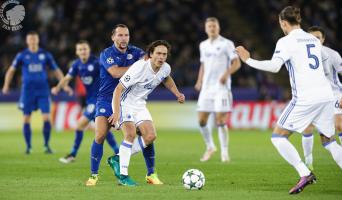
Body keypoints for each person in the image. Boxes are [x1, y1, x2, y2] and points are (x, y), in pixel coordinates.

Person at [236, 6, 342, 194]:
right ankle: (306, 170)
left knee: (278, 137)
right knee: (329, 140)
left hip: (305, 98)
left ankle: (304, 172)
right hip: (326, 95)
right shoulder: (313, 40)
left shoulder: (285, 41)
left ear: (283, 23)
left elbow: (275, 67)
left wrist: (248, 60)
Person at [86, 24, 161, 186]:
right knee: (100, 135)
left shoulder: (137, 52)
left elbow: (151, 64)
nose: (123, 38)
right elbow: (115, 72)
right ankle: (93, 175)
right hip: (106, 99)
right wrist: (138, 68)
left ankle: (151, 174)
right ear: (113, 37)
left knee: (146, 134)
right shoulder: (107, 54)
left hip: (129, 100)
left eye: (126, 35)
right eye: (119, 35)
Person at [109, 40, 185, 186]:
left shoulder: (165, 68)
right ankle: (123, 176)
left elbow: (166, 78)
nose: (161, 57)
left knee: (150, 136)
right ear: (151, 54)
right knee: (130, 134)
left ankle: (117, 158)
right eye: (158, 53)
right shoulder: (139, 67)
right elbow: (118, 89)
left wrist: (177, 93)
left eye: (164, 54)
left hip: (140, 105)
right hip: (124, 102)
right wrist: (116, 113)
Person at [2, 31, 72, 154]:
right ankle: (28, 147)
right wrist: (6, 85)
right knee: (26, 119)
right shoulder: (22, 55)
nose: (33, 41)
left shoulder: (45, 55)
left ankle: (46, 145)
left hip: (43, 91)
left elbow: (56, 70)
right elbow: (11, 70)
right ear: (27, 41)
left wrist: (64, 85)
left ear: (37, 40)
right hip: (27, 91)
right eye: (30, 39)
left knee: (46, 118)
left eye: (34, 39)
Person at [51, 40, 119, 163]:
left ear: (89, 51)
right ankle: (118, 151)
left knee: (79, 126)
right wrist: (57, 87)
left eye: (85, 49)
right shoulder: (77, 65)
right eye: (80, 49)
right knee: (102, 130)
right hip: (91, 100)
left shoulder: (97, 63)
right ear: (77, 52)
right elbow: (67, 78)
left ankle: (72, 154)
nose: (83, 51)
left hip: (99, 100)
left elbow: (110, 73)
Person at [194, 17, 241, 162]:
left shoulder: (227, 44)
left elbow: (237, 63)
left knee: (220, 120)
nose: (212, 28)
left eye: (214, 26)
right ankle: (210, 146)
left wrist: (226, 74)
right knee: (201, 120)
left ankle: (225, 153)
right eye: (209, 26)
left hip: (221, 88)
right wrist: (199, 80)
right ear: (205, 28)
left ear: (218, 27)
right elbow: (203, 65)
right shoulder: (203, 45)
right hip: (207, 88)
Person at [301, 26, 342, 170]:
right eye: (311, 37)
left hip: (335, 94)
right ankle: (308, 162)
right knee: (308, 128)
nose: (314, 40)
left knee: (339, 125)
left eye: (317, 37)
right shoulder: (302, 56)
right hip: (315, 97)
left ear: (323, 39)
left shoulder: (332, 54)